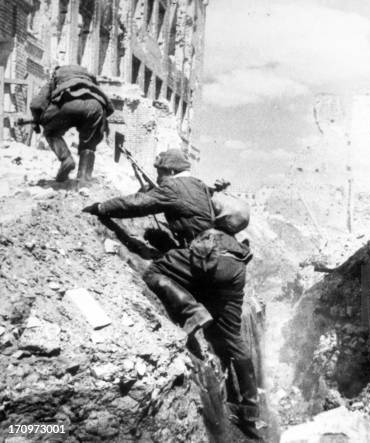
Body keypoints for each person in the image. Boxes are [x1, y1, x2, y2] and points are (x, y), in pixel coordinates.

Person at [81, 149, 262, 438]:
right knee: (231, 338)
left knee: (154, 271)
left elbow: (138, 204)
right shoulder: (200, 185)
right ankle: (250, 410)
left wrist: (102, 207)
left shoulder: (172, 186)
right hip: (235, 263)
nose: (158, 177)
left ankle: (192, 310)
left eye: (159, 173)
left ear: (167, 171)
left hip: (208, 255)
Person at [29, 65, 113, 184]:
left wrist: (38, 120)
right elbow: (108, 107)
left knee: (51, 132)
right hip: (96, 106)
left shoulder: (56, 77)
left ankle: (66, 159)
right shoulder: (91, 82)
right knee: (89, 144)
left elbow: (36, 105)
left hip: (67, 102)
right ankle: (84, 180)